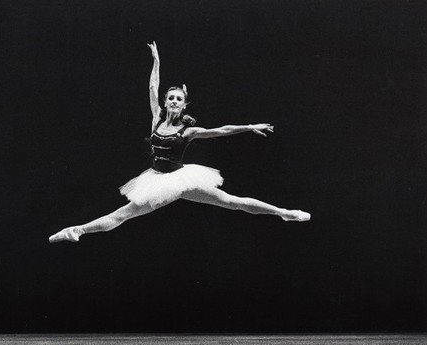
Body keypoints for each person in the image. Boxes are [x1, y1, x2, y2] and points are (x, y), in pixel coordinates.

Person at [49, 41, 310, 243]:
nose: (173, 101)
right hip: (155, 182)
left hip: (181, 181)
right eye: (170, 98)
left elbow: (221, 130)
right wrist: (157, 61)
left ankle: (283, 212)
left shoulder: (188, 131)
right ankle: (76, 230)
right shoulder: (156, 120)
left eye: (178, 99)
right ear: (166, 102)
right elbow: (152, 87)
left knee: (232, 201)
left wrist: (248, 127)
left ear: (184, 104)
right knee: (123, 214)